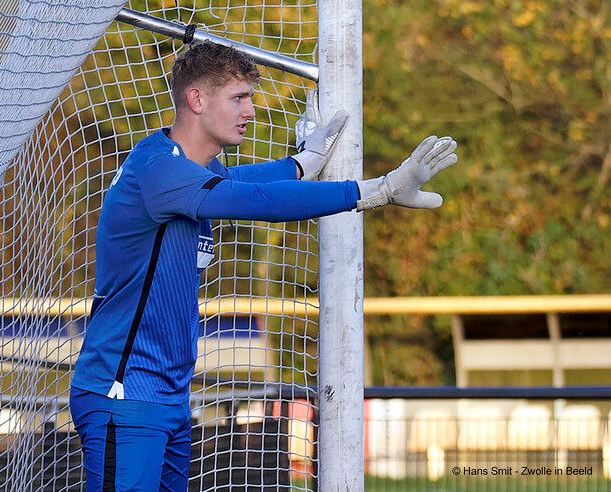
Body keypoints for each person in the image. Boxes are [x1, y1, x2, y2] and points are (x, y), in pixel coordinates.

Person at [69, 41, 457, 491]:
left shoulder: (188, 170)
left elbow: (244, 180)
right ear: (196, 100)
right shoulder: (161, 171)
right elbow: (258, 199)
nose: (250, 111)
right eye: (238, 97)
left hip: (167, 397)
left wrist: (301, 162)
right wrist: (380, 189)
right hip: (125, 395)